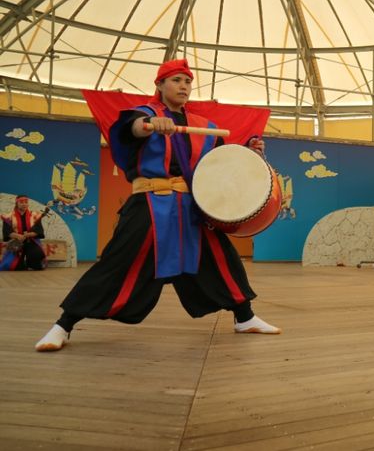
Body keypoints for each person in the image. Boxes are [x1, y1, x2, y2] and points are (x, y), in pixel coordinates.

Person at [35, 59, 280, 352]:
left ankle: (245, 317)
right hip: (149, 204)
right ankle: (63, 325)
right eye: (176, 80)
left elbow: (220, 162)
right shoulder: (145, 114)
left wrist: (249, 151)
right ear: (160, 85)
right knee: (118, 262)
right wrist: (149, 126)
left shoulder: (202, 126)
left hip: (190, 207)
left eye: (187, 81)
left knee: (219, 259)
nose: (183, 86)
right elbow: (131, 128)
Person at [1, 195, 47, 271]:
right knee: (16, 267)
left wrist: (27, 235)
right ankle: (21, 263)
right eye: (21, 202)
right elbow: (7, 231)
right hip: (17, 243)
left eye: (26, 202)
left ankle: (31, 263)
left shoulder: (35, 215)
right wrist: (18, 236)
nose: (24, 204)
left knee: (37, 263)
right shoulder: (8, 216)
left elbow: (39, 231)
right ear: (16, 203)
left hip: (31, 241)